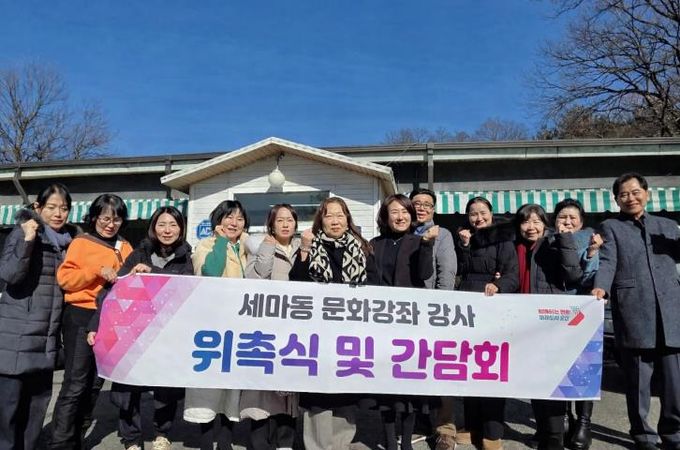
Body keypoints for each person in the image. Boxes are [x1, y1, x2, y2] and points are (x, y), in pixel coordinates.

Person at [87, 206, 193, 450]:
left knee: (166, 387)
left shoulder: (187, 257)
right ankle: (131, 439)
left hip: (167, 335)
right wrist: (95, 326)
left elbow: (184, 289)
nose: (167, 230)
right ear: (153, 228)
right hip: (133, 334)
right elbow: (112, 293)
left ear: (181, 229)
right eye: (162, 224)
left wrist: (151, 272)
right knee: (127, 387)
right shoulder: (138, 254)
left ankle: (162, 434)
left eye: (173, 225)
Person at [592, 173, 680, 450]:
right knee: (639, 381)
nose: (630, 198)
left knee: (675, 383)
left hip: (671, 312)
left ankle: (674, 434)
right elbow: (608, 262)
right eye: (623, 194)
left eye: (635, 192)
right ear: (616, 200)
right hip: (634, 309)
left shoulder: (668, 226)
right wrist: (600, 288)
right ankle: (643, 435)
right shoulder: (611, 227)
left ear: (647, 194)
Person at [289, 196, 377, 450]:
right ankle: (316, 445)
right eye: (329, 215)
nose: (335, 221)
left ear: (348, 219)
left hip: (350, 333)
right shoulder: (310, 246)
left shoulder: (362, 248)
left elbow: (375, 286)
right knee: (318, 395)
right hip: (317, 334)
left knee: (344, 393)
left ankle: (341, 444)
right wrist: (305, 250)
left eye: (340, 215)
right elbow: (296, 284)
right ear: (321, 220)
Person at [50, 194, 133, 450]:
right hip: (81, 314)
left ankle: (78, 438)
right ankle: (60, 443)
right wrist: (96, 270)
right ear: (95, 217)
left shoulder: (126, 247)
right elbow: (65, 279)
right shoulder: (81, 242)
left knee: (96, 383)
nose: (110, 224)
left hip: (110, 319)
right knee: (75, 382)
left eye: (117, 219)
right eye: (105, 218)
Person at [0, 183, 78, 450]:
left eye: (64, 208)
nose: (58, 214)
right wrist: (27, 239)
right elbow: (10, 275)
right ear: (38, 207)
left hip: (46, 341)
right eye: (52, 207)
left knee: (35, 413)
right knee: (8, 414)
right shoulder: (22, 232)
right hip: (16, 340)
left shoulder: (69, 244)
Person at [370, 194, 438, 450]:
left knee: (409, 385)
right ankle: (389, 441)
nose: (400, 217)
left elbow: (425, 273)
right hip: (382, 322)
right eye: (394, 212)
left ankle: (406, 441)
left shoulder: (419, 241)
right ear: (385, 217)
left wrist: (428, 245)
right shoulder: (374, 244)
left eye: (405, 212)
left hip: (411, 323)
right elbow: (370, 280)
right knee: (386, 386)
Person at [514, 203, 583, 450]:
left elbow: (573, 275)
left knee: (552, 382)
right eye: (525, 222)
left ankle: (554, 440)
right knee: (535, 381)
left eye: (536, 221)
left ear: (545, 224)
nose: (531, 227)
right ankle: (544, 433)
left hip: (551, 324)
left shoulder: (555, 242)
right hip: (524, 323)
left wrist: (564, 239)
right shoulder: (516, 247)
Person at [184, 200, 250, 450]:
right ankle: (205, 442)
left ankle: (225, 442)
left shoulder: (246, 247)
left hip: (239, 327)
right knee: (208, 387)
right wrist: (221, 241)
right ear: (218, 221)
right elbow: (211, 271)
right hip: (211, 326)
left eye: (240, 218)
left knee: (232, 387)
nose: (234, 223)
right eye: (229, 217)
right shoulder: (206, 245)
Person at [455, 197, 519, 450]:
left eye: (483, 212)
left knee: (491, 370)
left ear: (492, 214)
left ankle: (492, 432)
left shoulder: (503, 239)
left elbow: (512, 274)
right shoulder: (464, 238)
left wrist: (498, 284)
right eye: (473, 213)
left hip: (493, 309)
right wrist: (464, 246)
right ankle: (471, 425)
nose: (478, 218)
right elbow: (457, 271)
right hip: (466, 310)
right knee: (469, 369)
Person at [243, 204, 301, 450]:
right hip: (267, 327)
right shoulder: (260, 247)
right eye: (280, 220)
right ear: (271, 225)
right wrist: (266, 248)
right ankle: (260, 442)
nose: (285, 224)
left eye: (290, 220)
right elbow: (255, 278)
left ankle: (285, 441)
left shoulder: (303, 247)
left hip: (295, 327)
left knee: (288, 387)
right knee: (263, 389)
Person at [408, 188, 457, 449]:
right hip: (406, 313)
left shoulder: (443, 234)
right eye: (417, 203)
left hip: (433, 310)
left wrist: (439, 307)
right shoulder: (404, 232)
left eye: (427, 204)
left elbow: (446, 272)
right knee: (411, 366)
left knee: (441, 368)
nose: (421, 208)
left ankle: (445, 429)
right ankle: (418, 422)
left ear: (434, 209)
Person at [553, 198, 603, 450]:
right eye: (562, 217)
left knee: (583, 368)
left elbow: (586, 278)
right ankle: (564, 417)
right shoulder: (548, 241)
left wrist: (592, 253)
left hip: (582, 311)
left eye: (573, 217)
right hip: (553, 314)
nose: (568, 221)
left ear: (582, 222)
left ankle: (584, 422)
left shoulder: (590, 240)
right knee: (559, 366)